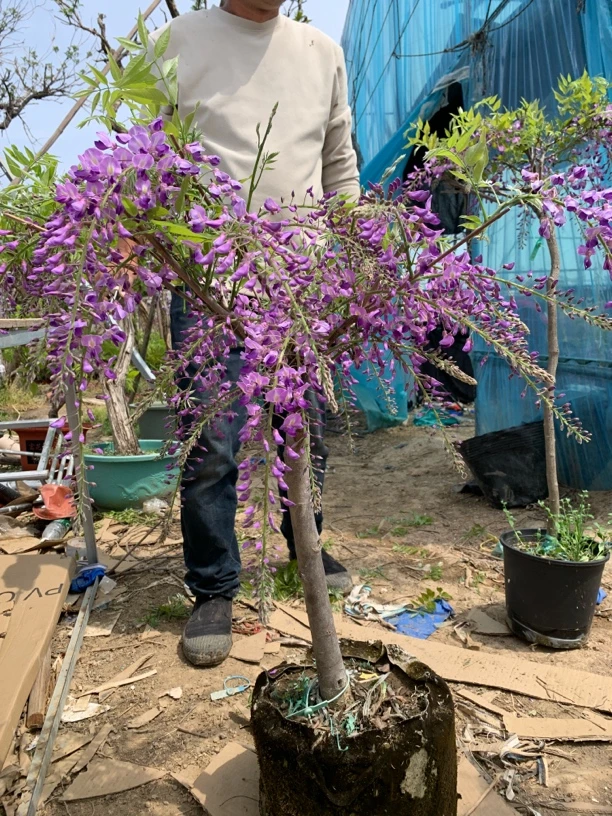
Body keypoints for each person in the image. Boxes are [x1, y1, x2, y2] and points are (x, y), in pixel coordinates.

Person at [149, 0, 360, 667]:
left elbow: (339, 164)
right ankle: (214, 587)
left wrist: (349, 259)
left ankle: (304, 541)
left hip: (301, 281)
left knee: (305, 429)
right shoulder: (176, 42)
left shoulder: (320, 51)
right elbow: (153, 162)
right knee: (212, 444)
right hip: (212, 283)